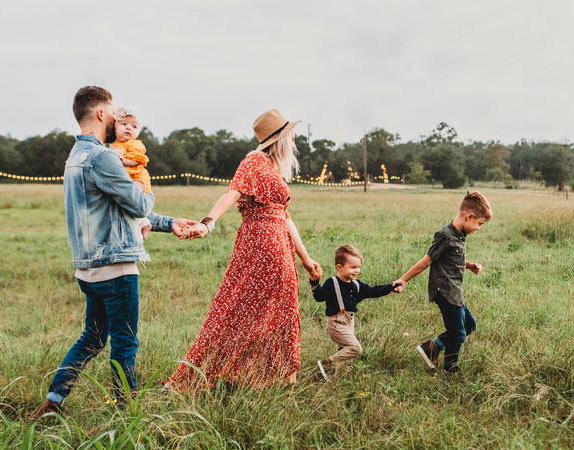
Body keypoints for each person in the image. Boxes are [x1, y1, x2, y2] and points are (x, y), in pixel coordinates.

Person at [32, 86, 197, 419]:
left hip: (88, 269)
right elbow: (136, 202)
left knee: (92, 338)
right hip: (116, 267)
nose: (117, 120)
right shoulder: (103, 156)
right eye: (113, 113)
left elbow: (116, 209)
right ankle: (127, 412)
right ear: (100, 114)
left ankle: (54, 402)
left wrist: (168, 223)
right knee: (125, 342)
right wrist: (143, 190)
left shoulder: (75, 157)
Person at [164, 109, 322, 390]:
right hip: (262, 244)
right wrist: (208, 223)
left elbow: (284, 217)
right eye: (291, 135)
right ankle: (221, 373)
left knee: (281, 308)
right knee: (239, 308)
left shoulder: (273, 168)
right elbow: (232, 193)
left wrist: (306, 259)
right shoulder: (255, 161)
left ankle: (277, 376)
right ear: (279, 139)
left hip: (278, 243)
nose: (295, 140)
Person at [394, 191, 492, 375]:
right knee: (458, 333)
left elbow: (453, 258)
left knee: (469, 325)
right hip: (445, 292)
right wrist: (403, 279)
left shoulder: (460, 235)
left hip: (456, 292)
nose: (479, 228)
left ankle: (432, 347)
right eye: (479, 223)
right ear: (469, 216)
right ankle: (449, 368)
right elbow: (427, 260)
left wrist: (469, 265)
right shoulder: (445, 235)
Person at [310, 244, 401, 380]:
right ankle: (327, 364)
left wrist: (391, 287)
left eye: (358, 267)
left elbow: (374, 291)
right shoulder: (332, 283)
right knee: (355, 348)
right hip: (336, 322)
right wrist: (315, 282)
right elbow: (319, 297)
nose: (357, 270)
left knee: (345, 353)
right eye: (353, 267)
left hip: (349, 322)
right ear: (339, 267)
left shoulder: (356, 285)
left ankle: (338, 379)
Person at [111, 106, 152, 239]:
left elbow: (138, 159)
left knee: (133, 196)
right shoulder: (114, 145)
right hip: (127, 178)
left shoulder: (134, 144)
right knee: (125, 201)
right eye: (124, 124)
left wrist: (124, 161)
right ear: (115, 128)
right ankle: (144, 222)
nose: (129, 128)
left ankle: (143, 222)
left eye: (134, 127)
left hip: (138, 177)